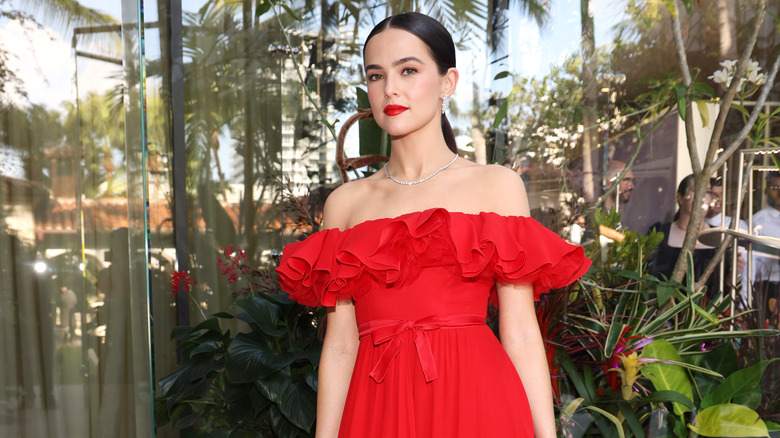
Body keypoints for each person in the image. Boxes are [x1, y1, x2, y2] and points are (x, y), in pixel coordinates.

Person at [275, 12, 590, 438]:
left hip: (478, 404)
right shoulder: (345, 204)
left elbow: (519, 330)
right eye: (375, 75)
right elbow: (341, 344)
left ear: (448, 82)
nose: (390, 89)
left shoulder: (496, 186)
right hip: (376, 407)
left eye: (408, 70)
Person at [648, 175, 717, 290]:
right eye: (695, 190)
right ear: (680, 197)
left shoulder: (718, 234)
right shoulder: (661, 232)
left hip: (708, 305)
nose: (702, 197)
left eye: (707, 192)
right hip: (666, 305)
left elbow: (725, 284)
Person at [750, 172, 780, 326]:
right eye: (775, 187)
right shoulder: (758, 220)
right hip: (769, 286)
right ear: (766, 190)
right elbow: (753, 259)